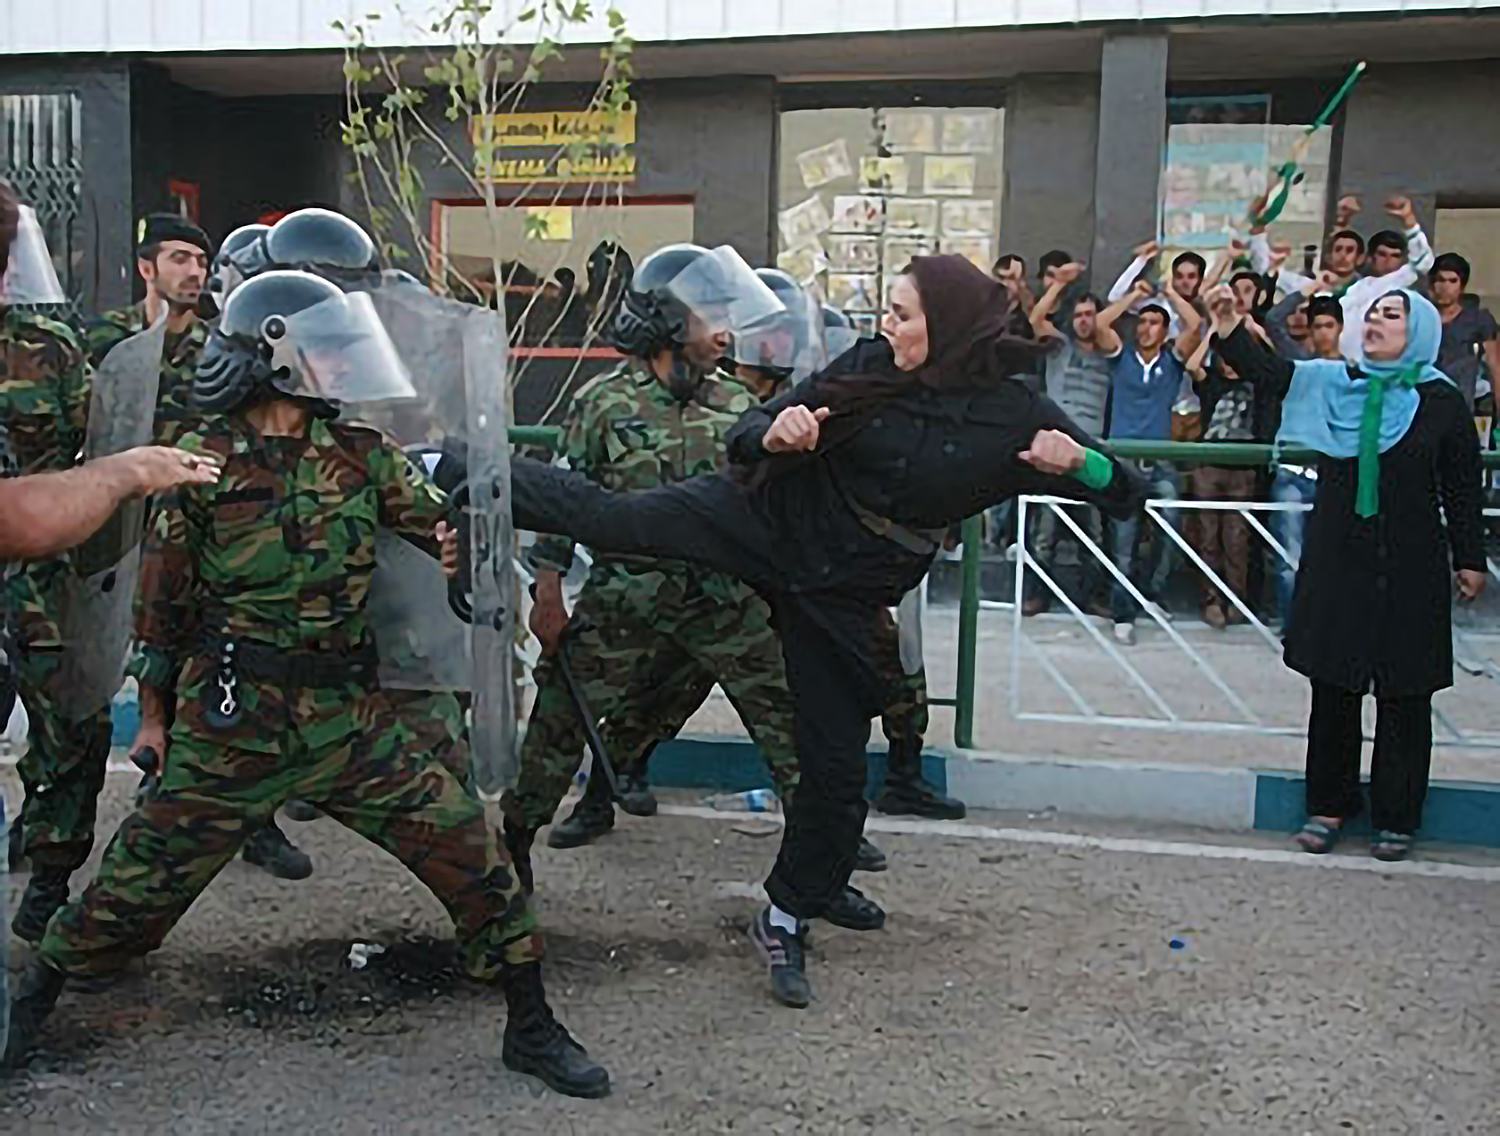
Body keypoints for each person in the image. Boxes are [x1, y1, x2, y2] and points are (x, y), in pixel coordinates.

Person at [2, 269, 609, 1098]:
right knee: (130, 888)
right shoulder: (200, 469)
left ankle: (531, 1026)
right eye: (325, 349)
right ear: (274, 360)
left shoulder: (363, 456)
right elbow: (161, 613)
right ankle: (30, 1002)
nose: (342, 364)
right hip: (234, 724)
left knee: (474, 859)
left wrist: (464, 550)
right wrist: (154, 718)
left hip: (352, 721)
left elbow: (435, 520)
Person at [501, 253, 1146, 1007]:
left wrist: (1081, 467)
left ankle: (788, 910)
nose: (886, 325)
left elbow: (1128, 493)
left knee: (836, 770)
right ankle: (458, 470)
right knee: (622, 521)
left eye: (903, 314)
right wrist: (777, 433)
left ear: (951, 328)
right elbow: (748, 432)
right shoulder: (870, 364)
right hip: (770, 519)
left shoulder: (1015, 416)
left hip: (841, 591)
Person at [514, 245, 886, 931]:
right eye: (709, 317)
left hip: (726, 604)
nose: (724, 332)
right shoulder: (603, 404)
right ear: (665, 323)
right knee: (556, 728)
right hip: (628, 603)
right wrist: (547, 594)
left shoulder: (739, 404)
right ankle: (509, 860)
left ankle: (821, 877)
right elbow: (560, 500)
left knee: (798, 737)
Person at [1205, 283, 1485, 863]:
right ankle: (1328, 805)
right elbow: (1270, 373)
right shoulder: (1333, 381)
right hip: (1340, 557)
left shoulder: (1440, 401)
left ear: (1421, 334)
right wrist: (1230, 326)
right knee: (1333, 686)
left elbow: (1461, 486)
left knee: (1406, 695)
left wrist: (1469, 557)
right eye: (1374, 314)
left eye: (1393, 316)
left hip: (1410, 562)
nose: (1377, 322)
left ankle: (1397, 815)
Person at [1095, 279, 1205, 644]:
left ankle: (1150, 594)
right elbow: (1100, 325)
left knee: (1170, 523)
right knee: (1122, 542)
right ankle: (1122, 612)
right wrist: (1135, 297)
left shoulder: (1172, 359)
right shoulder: (1121, 356)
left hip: (1160, 458)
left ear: (1163, 329)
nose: (1145, 329)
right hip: (1125, 460)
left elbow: (1195, 326)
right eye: (1142, 322)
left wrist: (1170, 294)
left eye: (1154, 323)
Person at [1025, 265, 1114, 617]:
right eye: (1077, 315)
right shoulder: (1059, 348)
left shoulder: (1110, 355)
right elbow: (1036, 320)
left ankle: (1092, 598)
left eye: (1090, 314)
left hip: (1091, 453)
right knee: (1044, 532)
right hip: (1055, 450)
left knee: (1093, 533)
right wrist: (1059, 284)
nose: (1083, 321)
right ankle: (1036, 596)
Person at [1252, 195, 1435, 358]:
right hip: (1315, 366)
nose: (1343, 255)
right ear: (1329, 255)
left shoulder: (1373, 288)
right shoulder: (1306, 286)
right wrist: (1258, 227)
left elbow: (1421, 266)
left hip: (1356, 373)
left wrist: (1409, 221)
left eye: (1350, 250)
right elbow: (1265, 270)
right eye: (1338, 249)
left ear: (1361, 258)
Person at [84, 213, 212, 446]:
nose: (195, 272)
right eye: (180, 259)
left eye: (202, 263)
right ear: (146, 269)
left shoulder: (215, 348)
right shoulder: (105, 336)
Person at [1183, 332, 1259, 628]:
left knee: (1237, 538)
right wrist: (1213, 330)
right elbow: (1192, 365)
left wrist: (1250, 333)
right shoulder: (1212, 383)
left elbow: (1277, 361)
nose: (1229, 364)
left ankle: (1236, 599)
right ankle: (1211, 599)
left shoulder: (1256, 385)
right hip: (1209, 466)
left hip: (1242, 468)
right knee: (1208, 535)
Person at [1429, 252, 1500, 410]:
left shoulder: (1478, 319)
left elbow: (1494, 365)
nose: (1445, 287)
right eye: (1440, 280)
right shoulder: (1421, 316)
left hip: (1460, 401)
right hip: (1422, 399)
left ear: (1462, 285)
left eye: (1452, 281)